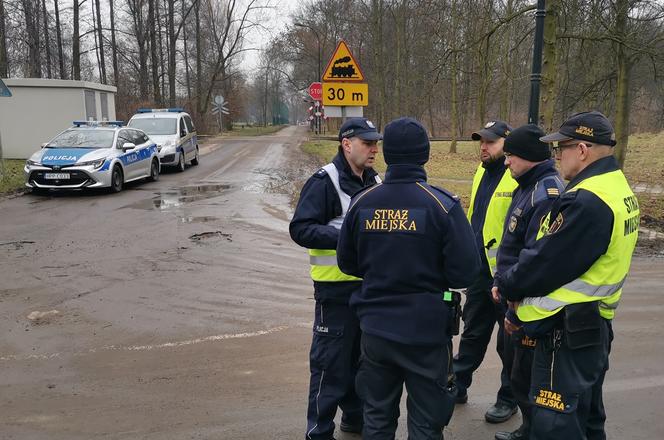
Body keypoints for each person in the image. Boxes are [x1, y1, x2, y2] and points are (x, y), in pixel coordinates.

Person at [494, 111, 639, 439]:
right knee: (587, 419)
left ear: (583, 150)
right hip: (591, 325)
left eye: (562, 149)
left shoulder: (588, 201)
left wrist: (506, 286)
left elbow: (545, 264)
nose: (557, 156)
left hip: (565, 333)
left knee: (556, 425)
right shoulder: (615, 187)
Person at [337, 117, 480, 439]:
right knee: (427, 423)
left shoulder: (362, 202)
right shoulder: (442, 205)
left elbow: (347, 262)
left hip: (375, 329)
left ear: (388, 155)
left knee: (376, 418)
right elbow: (465, 272)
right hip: (425, 333)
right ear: (425, 155)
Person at [290, 117, 382, 440]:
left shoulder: (376, 183)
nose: (374, 149)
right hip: (334, 293)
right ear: (346, 144)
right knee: (330, 364)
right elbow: (300, 228)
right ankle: (318, 431)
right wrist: (343, 236)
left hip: (367, 290)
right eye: (367, 143)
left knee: (362, 360)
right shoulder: (323, 182)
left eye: (375, 143)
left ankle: (353, 418)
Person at [488, 124, 565, 440]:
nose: (506, 163)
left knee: (528, 378)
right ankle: (528, 429)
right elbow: (511, 244)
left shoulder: (546, 194)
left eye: (511, 156)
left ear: (530, 156)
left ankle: (534, 431)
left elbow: (535, 259)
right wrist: (498, 280)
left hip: (528, 307)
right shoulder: (527, 184)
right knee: (517, 371)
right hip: (514, 297)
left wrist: (512, 307)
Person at [453, 120, 519, 423]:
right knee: (473, 331)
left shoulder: (516, 176)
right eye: (481, 141)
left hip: (506, 274)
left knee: (509, 344)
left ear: (506, 144)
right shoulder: (482, 170)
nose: (484, 147)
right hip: (480, 269)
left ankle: (509, 398)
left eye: (490, 142)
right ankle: (458, 383)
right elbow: (475, 216)